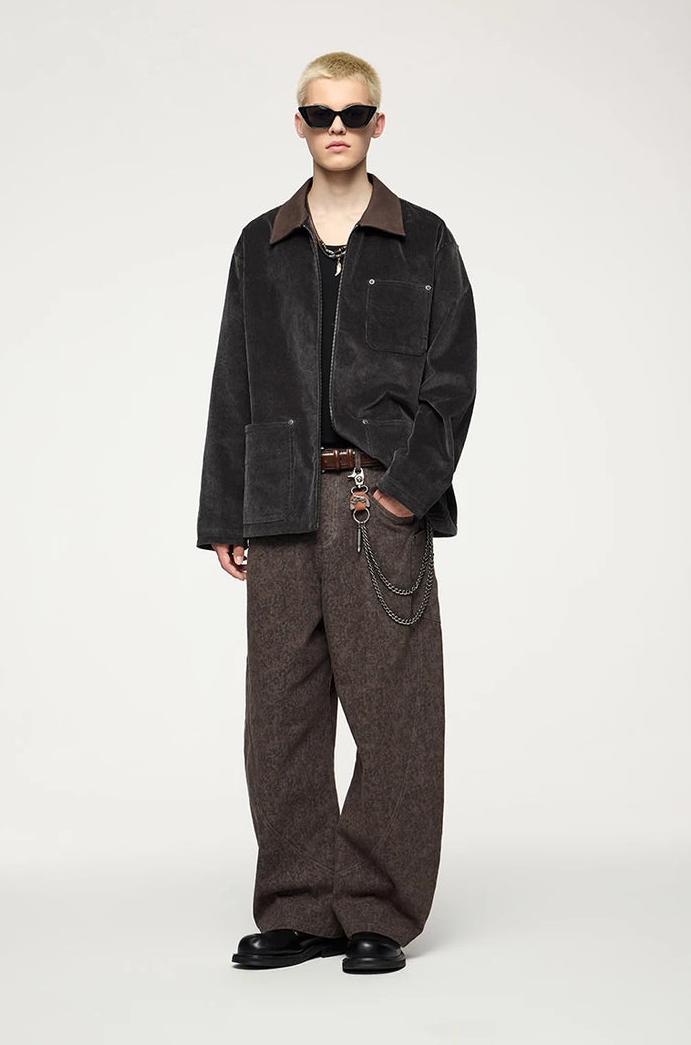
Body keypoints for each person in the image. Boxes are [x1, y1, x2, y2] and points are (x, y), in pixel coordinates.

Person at [196, 51, 477, 974]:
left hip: (376, 500)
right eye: (321, 114)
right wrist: (225, 508)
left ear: (378, 123)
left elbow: (452, 383)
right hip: (278, 500)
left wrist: (406, 490)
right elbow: (233, 379)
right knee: (279, 710)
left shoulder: (424, 240)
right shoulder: (260, 244)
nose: (338, 128)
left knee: (395, 711)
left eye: (354, 113)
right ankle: (298, 905)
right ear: (300, 124)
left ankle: (377, 910)